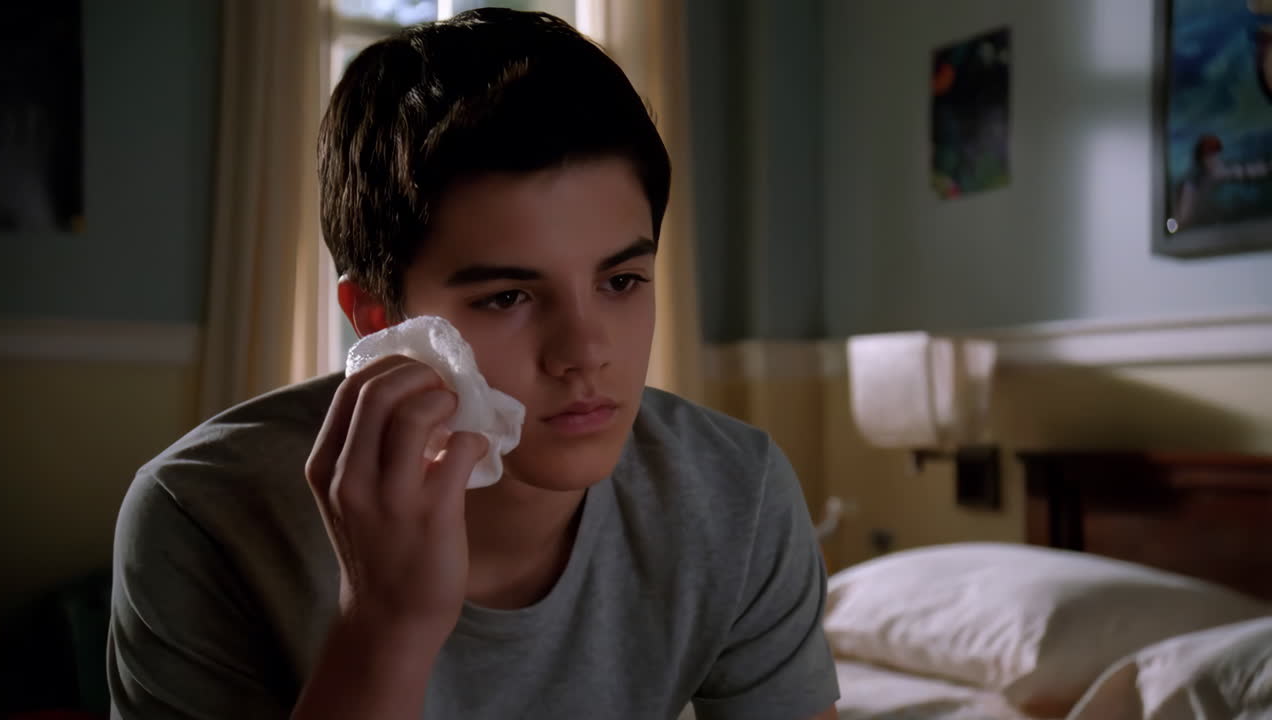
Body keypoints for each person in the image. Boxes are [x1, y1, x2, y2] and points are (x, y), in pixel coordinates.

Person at [107, 9, 840, 719]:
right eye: (508, 296)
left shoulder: (735, 491)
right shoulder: (200, 513)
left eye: (620, 282)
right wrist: (385, 626)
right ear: (380, 318)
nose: (586, 353)